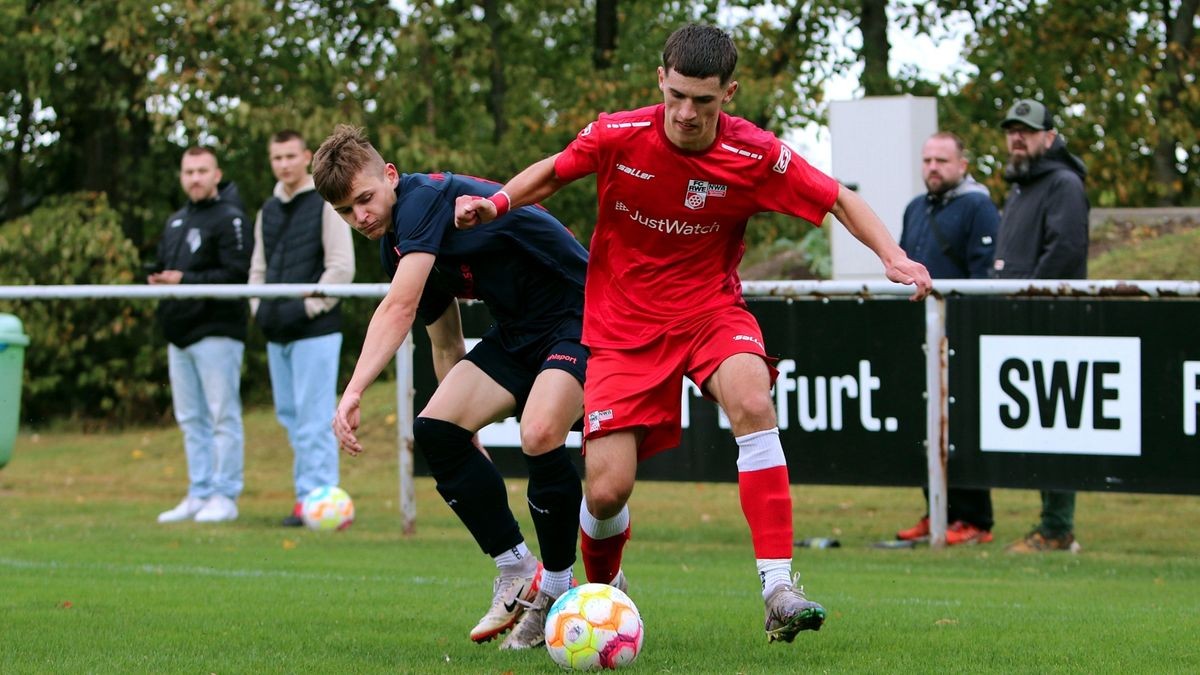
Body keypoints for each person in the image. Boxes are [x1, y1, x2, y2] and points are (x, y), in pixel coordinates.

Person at [456, 23, 932, 643]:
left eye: (703, 101)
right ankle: (602, 591)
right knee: (604, 493)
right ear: (661, 80)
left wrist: (890, 256)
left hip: (710, 313)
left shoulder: (755, 154)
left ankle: (779, 586)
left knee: (753, 396)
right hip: (622, 327)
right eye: (676, 95)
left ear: (728, 93)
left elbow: (838, 198)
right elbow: (552, 172)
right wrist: (496, 205)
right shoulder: (620, 133)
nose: (685, 113)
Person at [310, 125, 588, 649]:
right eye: (346, 212)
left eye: (366, 198)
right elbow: (445, 344)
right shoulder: (396, 244)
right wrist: (466, 429)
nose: (361, 216)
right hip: (519, 333)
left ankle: (556, 586)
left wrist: (352, 391)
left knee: (542, 434)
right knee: (436, 432)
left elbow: (399, 307)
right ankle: (516, 568)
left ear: (390, 176)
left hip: (582, 314)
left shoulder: (423, 200)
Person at [993, 98, 1089, 554]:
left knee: (1055, 424)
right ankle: (1052, 526)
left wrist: (1027, 302)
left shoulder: (1063, 183)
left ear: (1049, 137)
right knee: (1038, 425)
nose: (1018, 137)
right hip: (1022, 323)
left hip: (1051, 323)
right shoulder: (1020, 187)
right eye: (1012, 130)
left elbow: (1065, 253)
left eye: (1027, 131)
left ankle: (1057, 528)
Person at [895, 131, 999, 546]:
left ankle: (974, 518)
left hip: (961, 332)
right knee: (927, 424)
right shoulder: (915, 208)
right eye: (927, 160)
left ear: (962, 165)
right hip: (922, 333)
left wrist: (972, 327)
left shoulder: (979, 206)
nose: (933, 168)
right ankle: (937, 509)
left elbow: (985, 274)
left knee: (963, 424)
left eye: (941, 160)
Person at [249, 130, 356, 526]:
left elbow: (341, 267)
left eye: (291, 156)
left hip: (316, 331)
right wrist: (259, 307)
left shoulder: (326, 204)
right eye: (277, 157)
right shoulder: (268, 209)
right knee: (291, 415)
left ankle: (320, 500)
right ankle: (307, 496)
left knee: (314, 418)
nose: (284, 164)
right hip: (277, 331)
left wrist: (309, 307)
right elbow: (257, 269)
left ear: (306, 157)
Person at [151, 146, 251, 524]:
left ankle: (225, 496)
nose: (194, 177)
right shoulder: (176, 220)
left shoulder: (231, 218)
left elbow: (237, 274)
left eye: (201, 170)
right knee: (190, 417)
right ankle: (199, 491)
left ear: (216, 174)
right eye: (188, 171)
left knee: (222, 414)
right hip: (179, 334)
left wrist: (186, 280)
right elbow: (169, 267)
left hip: (217, 331)